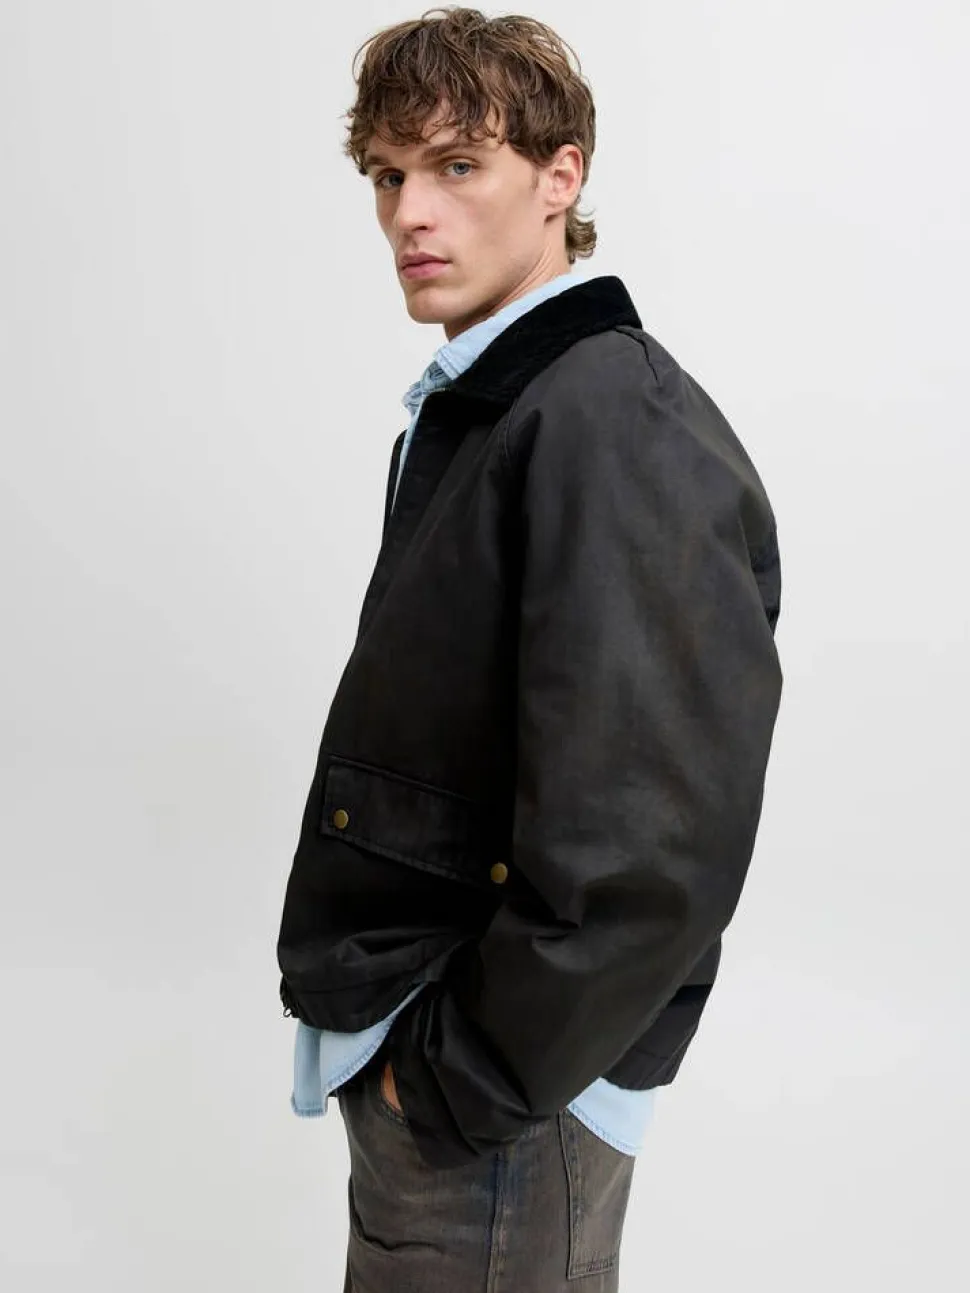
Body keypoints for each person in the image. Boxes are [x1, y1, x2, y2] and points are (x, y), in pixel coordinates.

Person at [276, 8, 783, 1290]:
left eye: (458, 166)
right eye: (387, 175)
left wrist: (462, 1081)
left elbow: (647, 844)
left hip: (504, 1101)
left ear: (561, 178)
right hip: (463, 1067)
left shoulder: (609, 420)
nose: (409, 214)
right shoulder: (504, 404)